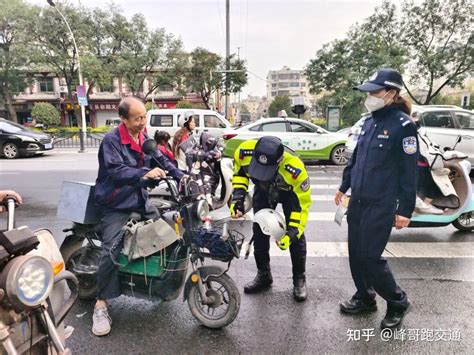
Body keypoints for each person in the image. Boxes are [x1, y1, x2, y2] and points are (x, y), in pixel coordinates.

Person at [92, 97, 183, 336]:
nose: (143, 122)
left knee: (165, 232)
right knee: (111, 248)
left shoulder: (143, 137)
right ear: (123, 118)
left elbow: (160, 158)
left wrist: (180, 175)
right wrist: (147, 173)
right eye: (138, 118)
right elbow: (117, 171)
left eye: (144, 117)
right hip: (116, 201)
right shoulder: (112, 141)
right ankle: (101, 304)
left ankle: (155, 283)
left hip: (139, 198)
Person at [335, 68, 417, 329]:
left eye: (374, 91)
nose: (368, 96)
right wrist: (344, 185)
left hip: (380, 202)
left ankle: (397, 301)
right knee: (356, 254)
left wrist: (405, 209)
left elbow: (409, 171)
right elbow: (356, 157)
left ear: (391, 93)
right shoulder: (369, 121)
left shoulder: (403, 126)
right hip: (358, 199)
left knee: (370, 256)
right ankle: (365, 296)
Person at [230, 136, 311, 301]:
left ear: (279, 162)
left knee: (295, 237)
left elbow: (301, 207)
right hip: (263, 190)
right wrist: (237, 199)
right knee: (259, 230)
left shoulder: (294, 170)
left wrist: (292, 232)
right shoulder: (243, 152)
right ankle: (264, 275)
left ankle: (299, 279)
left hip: (289, 194)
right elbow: (239, 174)